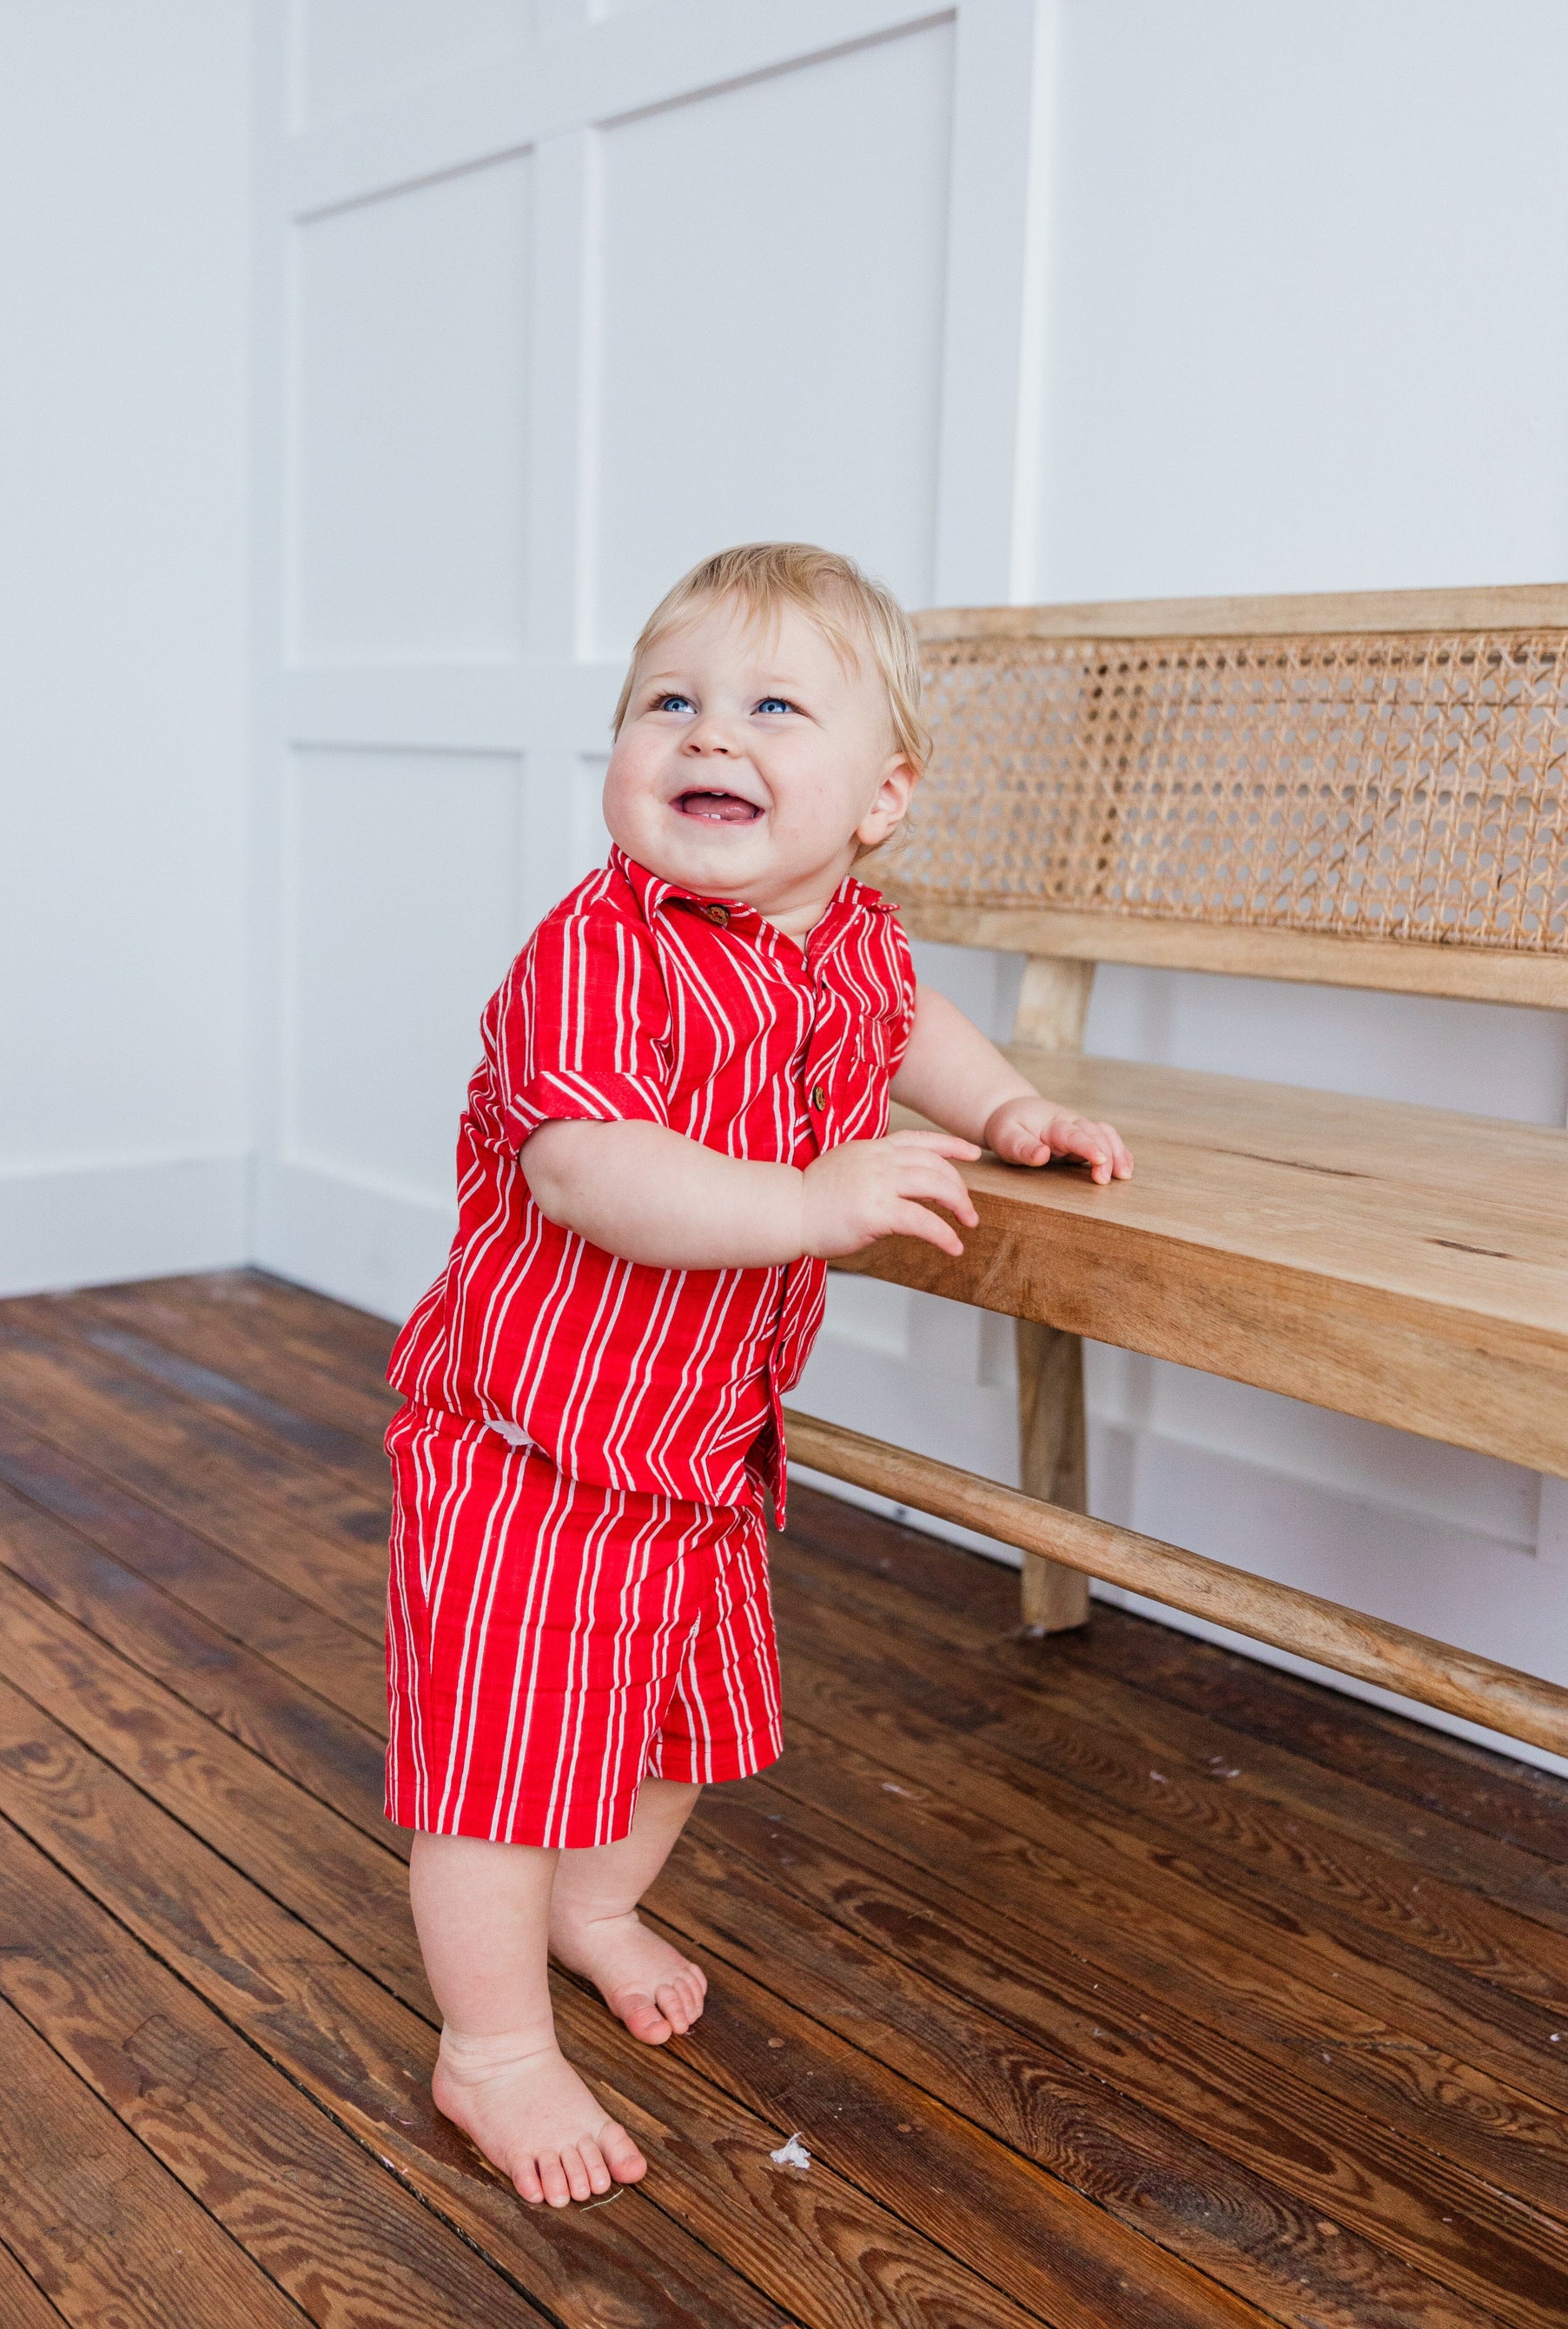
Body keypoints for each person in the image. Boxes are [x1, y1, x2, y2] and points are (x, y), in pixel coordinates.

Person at [384, 542, 1131, 2207]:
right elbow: (587, 1172)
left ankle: (589, 1911)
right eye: (671, 703)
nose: (709, 734)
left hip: (703, 1447)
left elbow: (911, 1024)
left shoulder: (852, 939)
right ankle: (489, 2047)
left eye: (772, 707)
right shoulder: (595, 954)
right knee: (502, 1769)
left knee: (670, 1730)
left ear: (879, 798)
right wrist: (809, 1202)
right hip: (530, 1449)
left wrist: (1003, 1112)